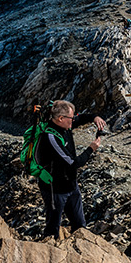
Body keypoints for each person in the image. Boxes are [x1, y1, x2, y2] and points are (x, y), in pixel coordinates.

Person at [34, 100, 104, 242]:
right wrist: (91, 148)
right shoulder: (51, 137)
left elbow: (81, 118)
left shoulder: (65, 125)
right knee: (52, 228)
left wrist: (94, 117)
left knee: (80, 226)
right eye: (71, 118)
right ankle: (48, 254)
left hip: (71, 185)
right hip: (55, 189)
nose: (74, 121)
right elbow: (73, 163)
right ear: (61, 118)